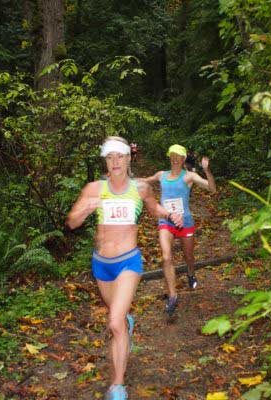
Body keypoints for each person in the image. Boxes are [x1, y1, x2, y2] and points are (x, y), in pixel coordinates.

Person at [66, 136, 183, 400]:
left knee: (115, 323)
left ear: (129, 158)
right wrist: (86, 209)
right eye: (110, 157)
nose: (115, 162)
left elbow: (154, 209)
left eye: (120, 156)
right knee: (119, 318)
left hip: (129, 262)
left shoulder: (140, 188)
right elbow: (71, 222)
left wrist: (170, 215)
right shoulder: (94, 188)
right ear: (105, 160)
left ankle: (117, 387)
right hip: (101, 265)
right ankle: (126, 322)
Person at [140, 144, 216, 316]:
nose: (174, 158)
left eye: (178, 156)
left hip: (185, 222)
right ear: (169, 157)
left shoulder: (189, 176)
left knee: (189, 256)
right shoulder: (162, 175)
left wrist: (207, 171)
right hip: (166, 221)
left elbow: (212, 188)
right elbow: (147, 180)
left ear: (183, 159)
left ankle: (190, 273)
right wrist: (126, 179)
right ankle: (172, 295)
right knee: (166, 256)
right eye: (172, 155)